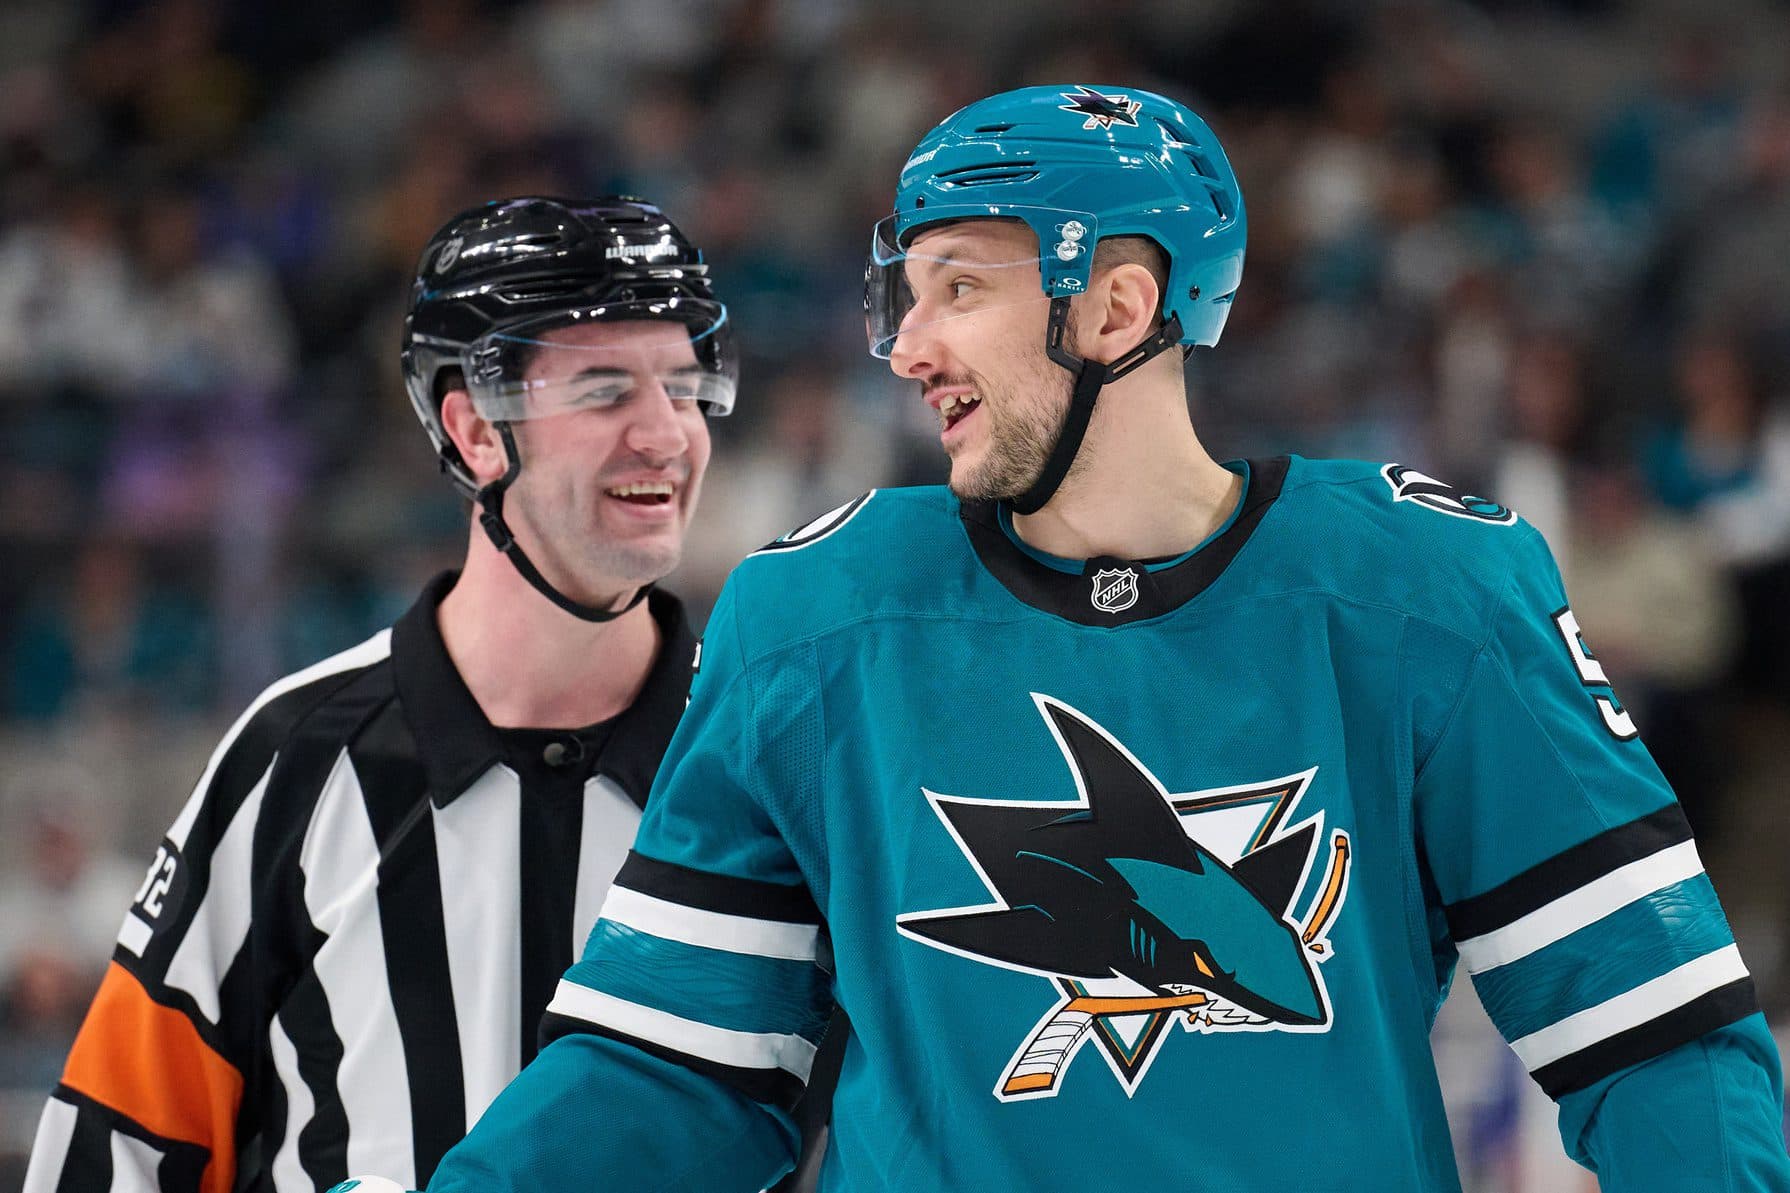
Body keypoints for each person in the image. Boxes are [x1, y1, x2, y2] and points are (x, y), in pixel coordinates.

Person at [423, 90, 1790, 1191]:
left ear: (1118, 309)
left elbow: (1654, 1037)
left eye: (956, 288)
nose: (906, 346)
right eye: (905, 295)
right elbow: (680, 1066)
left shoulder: (1425, 598)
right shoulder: (813, 623)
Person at [21, 195, 736, 1193]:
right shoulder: (295, 760)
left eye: (684, 383)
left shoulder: (770, 755)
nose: (667, 434)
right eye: (605, 387)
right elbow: (118, 1149)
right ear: (475, 428)